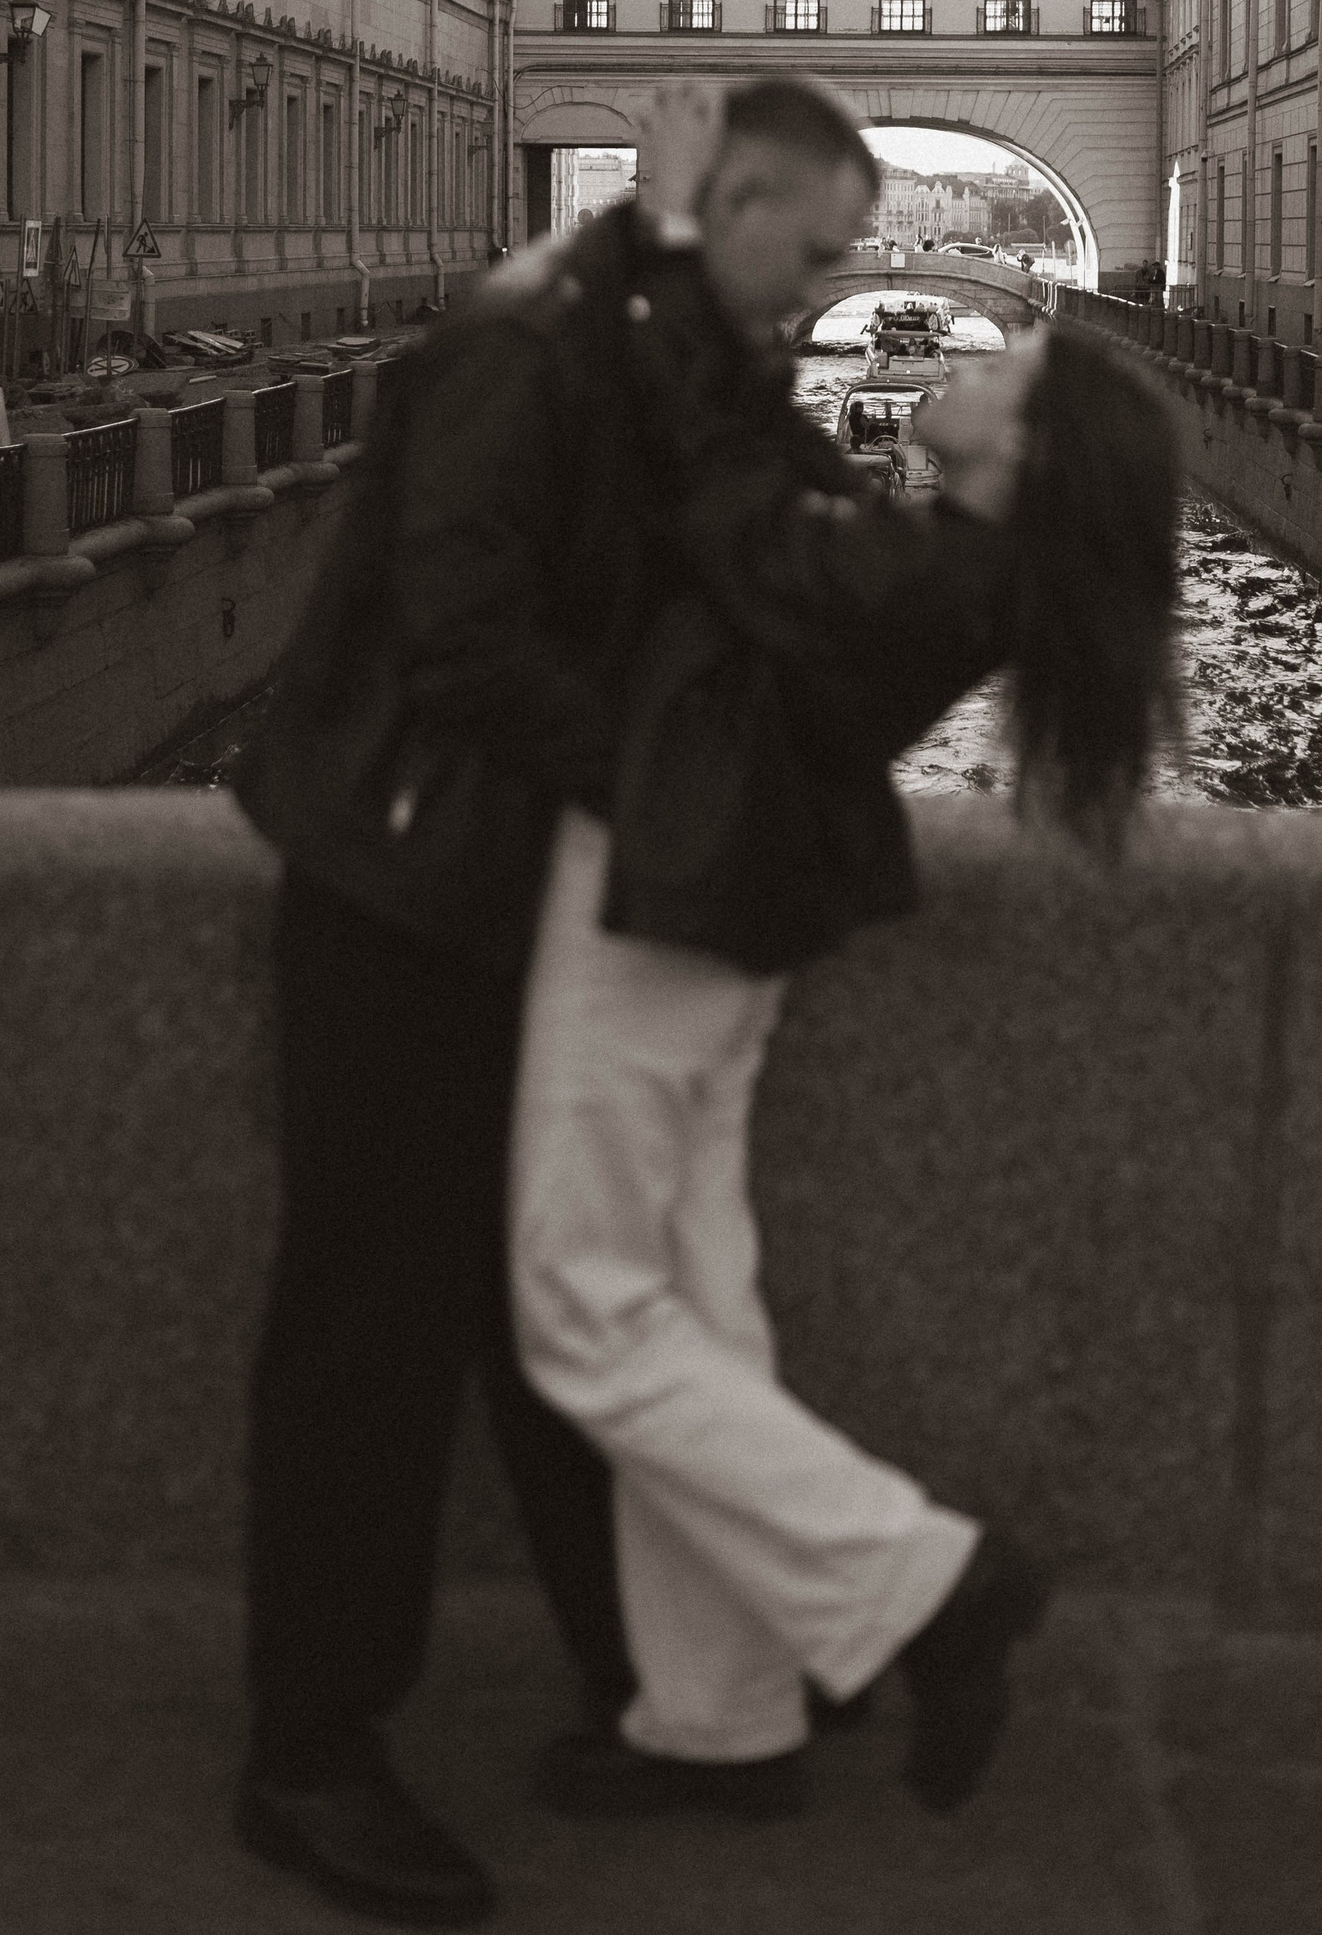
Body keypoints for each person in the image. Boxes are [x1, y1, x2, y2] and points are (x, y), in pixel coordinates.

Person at [235, 76, 992, 1928]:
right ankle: (309, 1753)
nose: (824, 292)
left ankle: (669, 1689)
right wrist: (676, 790)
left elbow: (786, 541)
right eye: (813, 253)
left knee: (550, 1309)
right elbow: (464, 644)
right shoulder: (525, 346)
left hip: (524, 886)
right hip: (400, 884)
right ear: (728, 207)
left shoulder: (670, 341)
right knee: (374, 1326)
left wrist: (984, 552)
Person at [507, 315, 1181, 1824]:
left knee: (580, 1310)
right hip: (720, 918)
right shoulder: (943, 563)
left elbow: (723, 511)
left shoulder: (927, 572)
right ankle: (723, 1715)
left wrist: (687, 312)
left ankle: (928, 1582)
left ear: (1028, 451)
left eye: (1002, 368)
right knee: (695, 1304)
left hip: (663, 916)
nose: (963, 359)